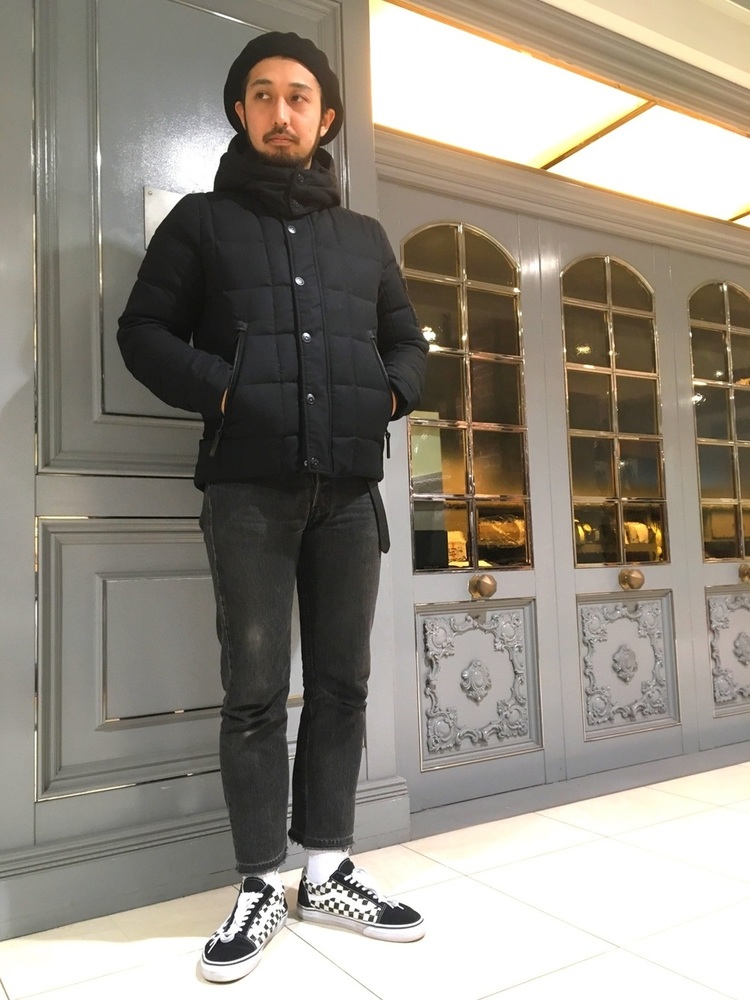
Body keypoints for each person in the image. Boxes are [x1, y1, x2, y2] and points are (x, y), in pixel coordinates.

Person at [117, 31, 428, 984]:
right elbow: (142, 331)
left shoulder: (363, 237)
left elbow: (408, 344)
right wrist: (225, 390)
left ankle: (327, 870)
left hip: (350, 493)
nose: (281, 112)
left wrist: (386, 394)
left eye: (299, 96)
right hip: (247, 492)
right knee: (253, 692)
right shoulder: (200, 223)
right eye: (263, 95)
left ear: (325, 117)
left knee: (342, 685)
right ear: (241, 112)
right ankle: (259, 881)